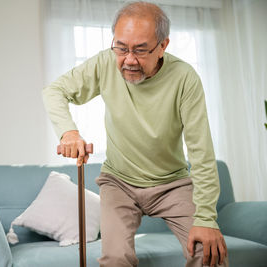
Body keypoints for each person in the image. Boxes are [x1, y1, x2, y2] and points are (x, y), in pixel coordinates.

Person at [42, 1, 228, 267]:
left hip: (172, 184)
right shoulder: (106, 63)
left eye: (140, 50)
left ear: (163, 46)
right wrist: (69, 132)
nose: (129, 60)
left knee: (211, 256)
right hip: (119, 182)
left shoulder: (185, 78)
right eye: (121, 47)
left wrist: (207, 218)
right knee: (116, 259)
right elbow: (54, 91)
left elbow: (202, 153)